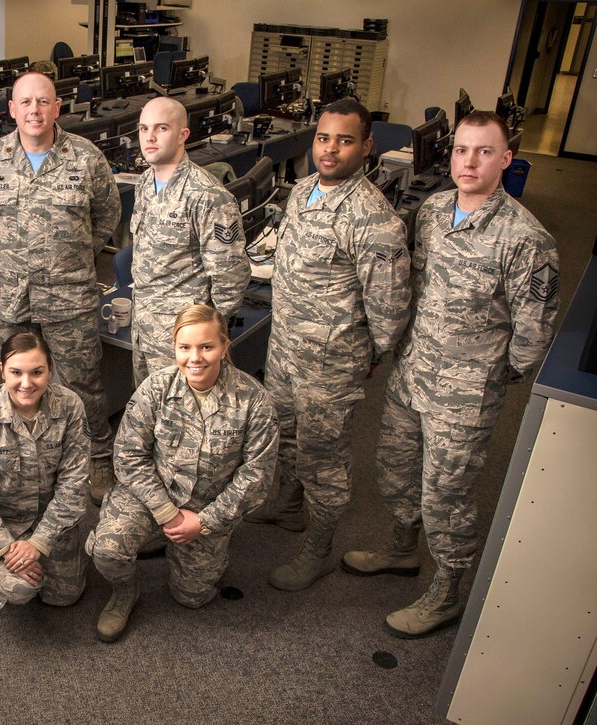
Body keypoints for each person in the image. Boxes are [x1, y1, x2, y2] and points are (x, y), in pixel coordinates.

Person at [342, 111, 559, 638]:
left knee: (447, 493)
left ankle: (447, 590)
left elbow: (534, 333)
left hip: (465, 393)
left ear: (505, 160)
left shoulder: (526, 239)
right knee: (396, 468)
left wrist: (486, 378)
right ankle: (400, 551)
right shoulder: (434, 210)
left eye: (484, 151)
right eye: (462, 149)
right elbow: (415, 284)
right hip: (413, 373)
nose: (469, 161)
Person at [244, 98, 411, 593]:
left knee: (325, 459)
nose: (331, 149)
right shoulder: (300, 192)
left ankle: (317, 549)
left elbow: (390, 307)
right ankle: (288, 507)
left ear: (366, 146)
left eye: (344, 139)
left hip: (331, 363)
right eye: (323, 137)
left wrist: (368, 357)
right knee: (284, 433)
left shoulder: (373, 219)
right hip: (285, 348)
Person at [0, 71, 122, 502]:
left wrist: (69, 257)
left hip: (69, 294)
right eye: (26, 103)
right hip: (9, 295)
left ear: (58, 107)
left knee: (81, 382)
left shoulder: (87, 158)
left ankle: (96, 459)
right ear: (12, 110)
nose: (34, 110)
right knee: (12, 381)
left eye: (43, 101)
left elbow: (106, 217)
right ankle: (14, 457)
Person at [87, 304, 278, 642]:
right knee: (107, 550)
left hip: (209, 506)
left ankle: (174, 543)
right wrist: (167, 514)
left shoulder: (254, 401)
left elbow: (256, 476)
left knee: (192, 597)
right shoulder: (156, 388)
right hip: (151, 495)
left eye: (207, 347)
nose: (195, 358)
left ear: (224, 346)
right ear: (174, 346)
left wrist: (202, 523)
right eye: (185, 347)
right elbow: (129, 455)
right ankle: (125, 592)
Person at [0, 331, 90, 609]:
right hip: (1, 523)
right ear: (1, 370)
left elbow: (74, 485)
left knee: (63, 598)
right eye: (16, 372)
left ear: (50, 370)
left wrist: (39, 543)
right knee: (19, 589)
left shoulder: (70, 406)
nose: (26, 383)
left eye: (37, 372)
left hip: (50, 522)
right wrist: (7, 549)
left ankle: (45, 559)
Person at [130, 96, 250, 383]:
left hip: (185, 340)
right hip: (144, 327)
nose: (149, 138)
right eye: (143, 129)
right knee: (151, 410)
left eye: (161, 129)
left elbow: (230, 276)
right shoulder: (146, 182)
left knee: (187, 419)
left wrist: (209, 338)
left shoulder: (207, 195)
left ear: (183, 135)